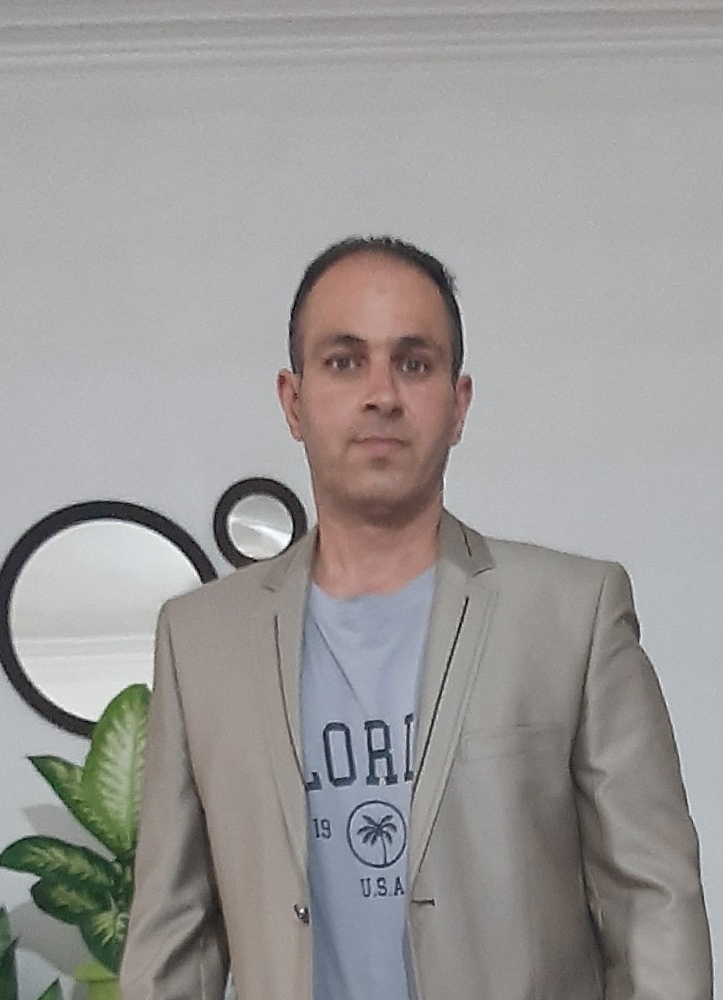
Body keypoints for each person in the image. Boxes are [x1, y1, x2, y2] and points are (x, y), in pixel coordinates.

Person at [119, 236, 712, 1000]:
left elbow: (653, 904)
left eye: (414, 362)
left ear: (458, 404)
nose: (382, 394)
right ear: (293, 401)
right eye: (344, 361)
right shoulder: (201, 640)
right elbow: (172, 940)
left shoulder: (572, 613)